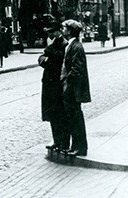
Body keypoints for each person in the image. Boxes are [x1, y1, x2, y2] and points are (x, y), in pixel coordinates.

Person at [61, 19, 91, 156]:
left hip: (73, 89)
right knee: (72, 117)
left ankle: (80, 147)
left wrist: (68, 84)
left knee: (76, 117)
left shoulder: (76, 47)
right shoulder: (71, 45)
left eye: (64, 27)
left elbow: (76, 69)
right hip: (72, 88)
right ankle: (75, 146)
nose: (62, 29)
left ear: (70, 30)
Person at [38, 19, 68, 153]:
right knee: (52, 113)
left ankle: (62, 141)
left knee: (59, 113)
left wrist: (47, 59)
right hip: (49, 84)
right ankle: (56, 140)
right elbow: (42, 58)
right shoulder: (53, 43)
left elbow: (58, 60)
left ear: (58, 31)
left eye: (51, 32)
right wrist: (46, 59)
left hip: (57, 84)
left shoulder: (64, 43)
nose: (49, 34)